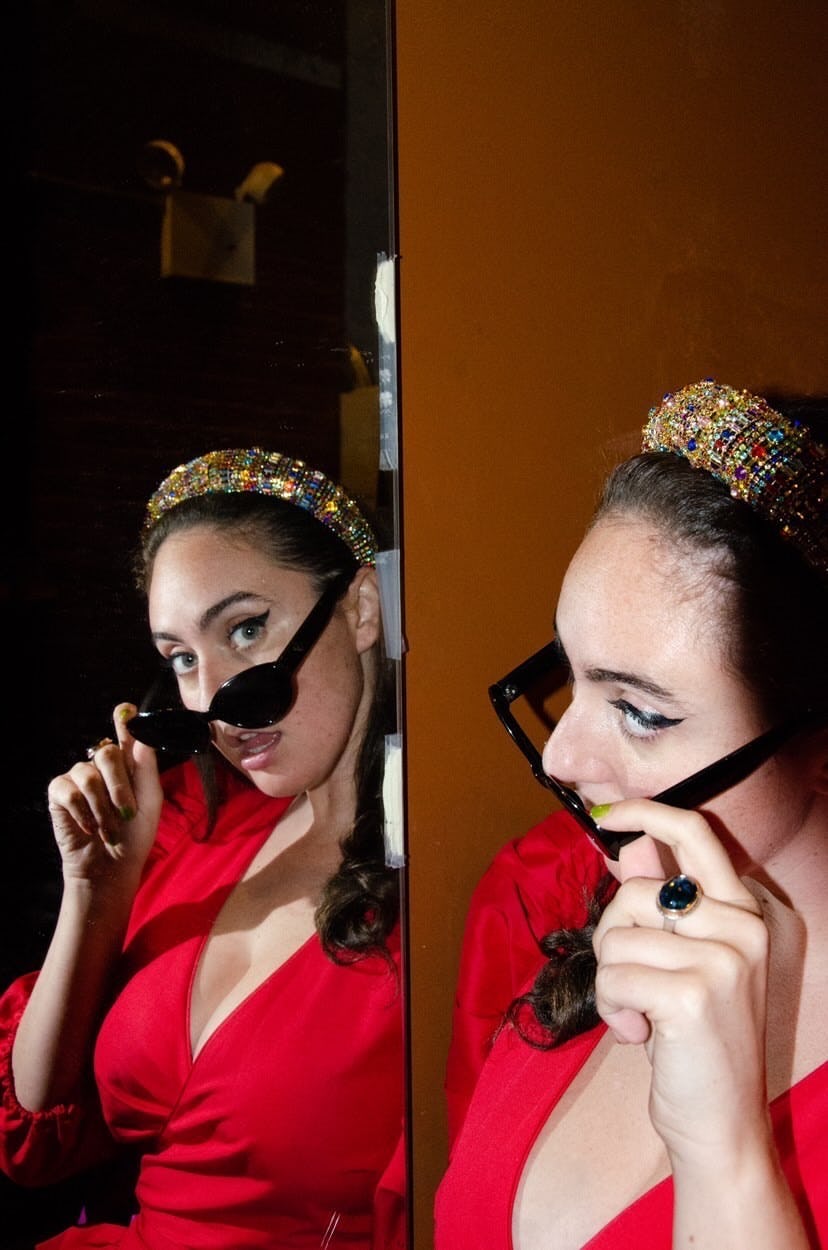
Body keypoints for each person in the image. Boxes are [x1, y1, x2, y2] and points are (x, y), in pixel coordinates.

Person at [437, 380, 827, 1249]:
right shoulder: (574, 913)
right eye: (571, 674)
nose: (561, 758)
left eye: (642, 712)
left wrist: (725, 1160)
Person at [0, 448, 406, 1250]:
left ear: (361, 608)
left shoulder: (455, 883)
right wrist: (98, 891)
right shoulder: (196, 831)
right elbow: (34, 1123)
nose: (211, 700)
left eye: (246, 629)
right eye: (182, 658)